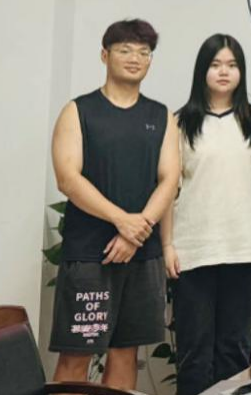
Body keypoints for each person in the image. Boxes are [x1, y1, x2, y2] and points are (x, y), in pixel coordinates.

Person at [49, 19, 179, 391]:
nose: (135, 58)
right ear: (105, 55)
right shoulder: (79, 110)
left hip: (142, 255)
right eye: (124, 50)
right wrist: (122, 221)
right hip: (91, 254)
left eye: (143, 52)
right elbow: (68, 178)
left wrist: (137, 232)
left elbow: (170, 179)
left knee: (126, 354)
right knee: (76, 355)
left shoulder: (161, 115)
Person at [161, 34, 251, 395]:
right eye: (215, 65)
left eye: (232, 65)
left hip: (243, 249)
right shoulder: (180, 122)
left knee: (234, 350)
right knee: (194, 352)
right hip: (193, 250)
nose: (224, 72)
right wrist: (167, 245)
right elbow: (168, 190)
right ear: (202, 70)